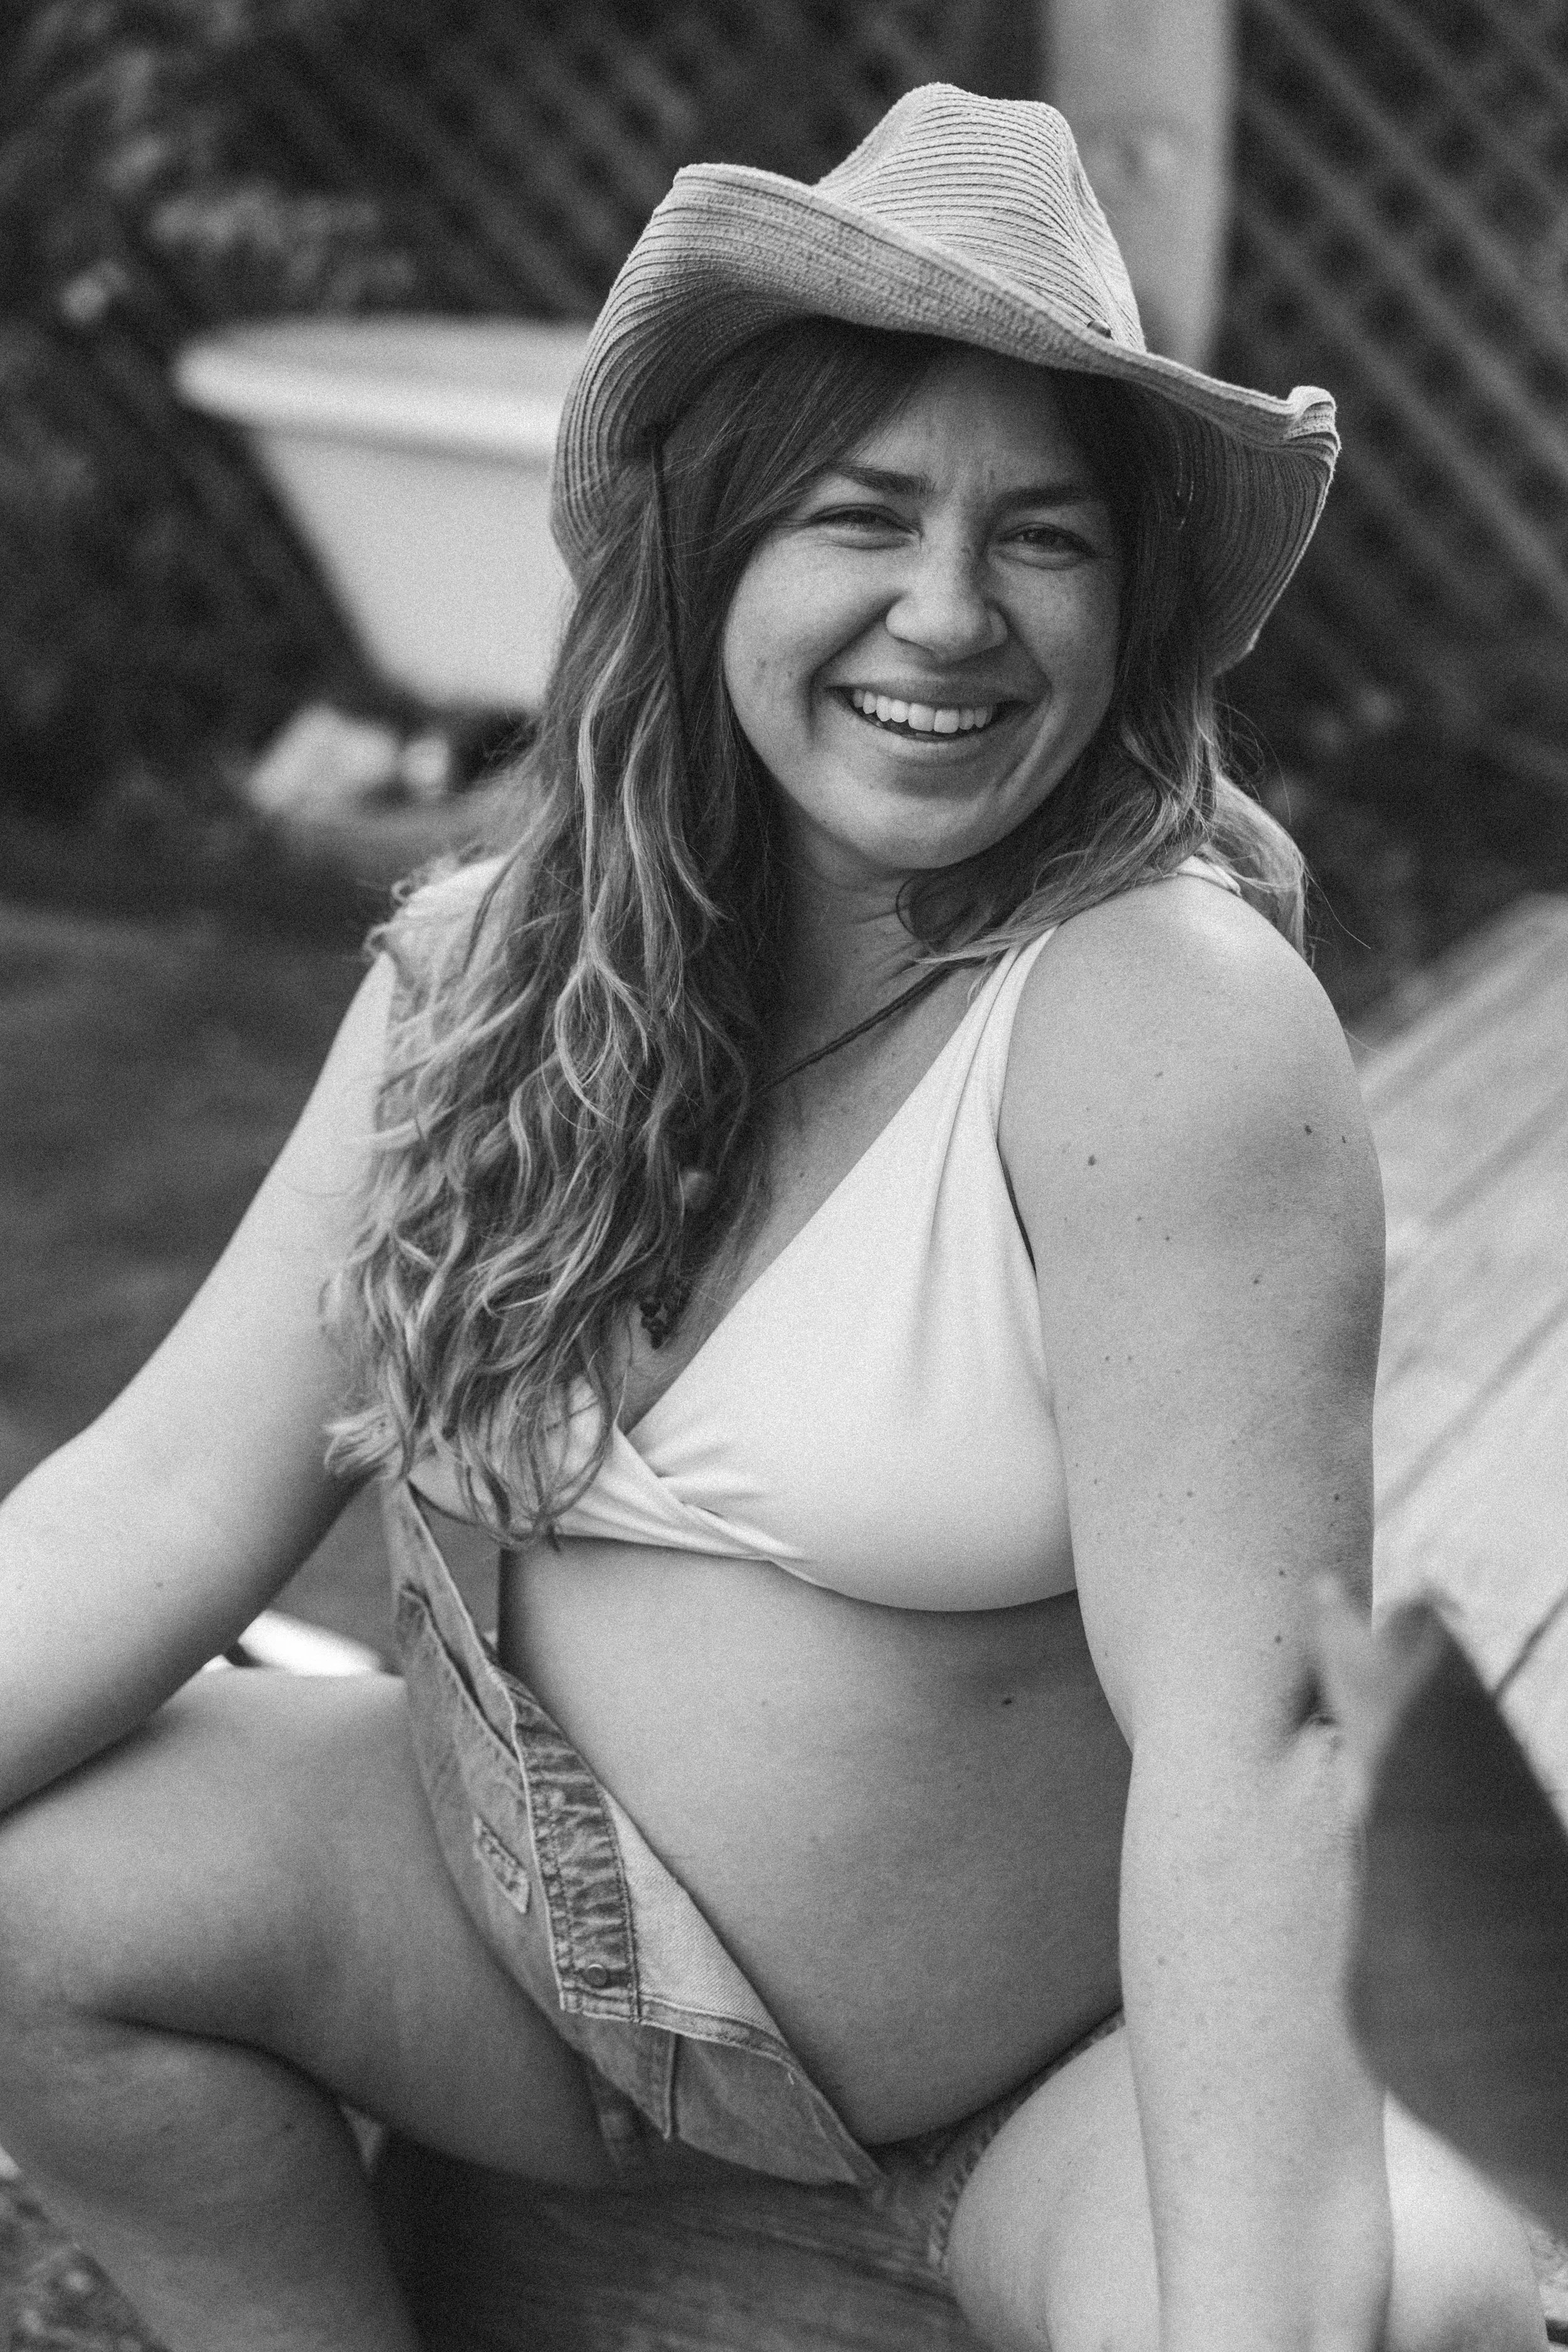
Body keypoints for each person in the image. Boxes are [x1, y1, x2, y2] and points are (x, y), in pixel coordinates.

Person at [0, 84, 1546, 2352]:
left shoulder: (1156, 1021)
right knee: (38, 1897)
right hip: (549, 1993)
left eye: (1043, 536)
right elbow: (166, 1482)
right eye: (863, 511)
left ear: (1129, 606)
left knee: (1396, 2308)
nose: (950, 610)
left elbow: (1253, 1741)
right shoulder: (489, 970)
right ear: (712, 546)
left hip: (1044, 2095)